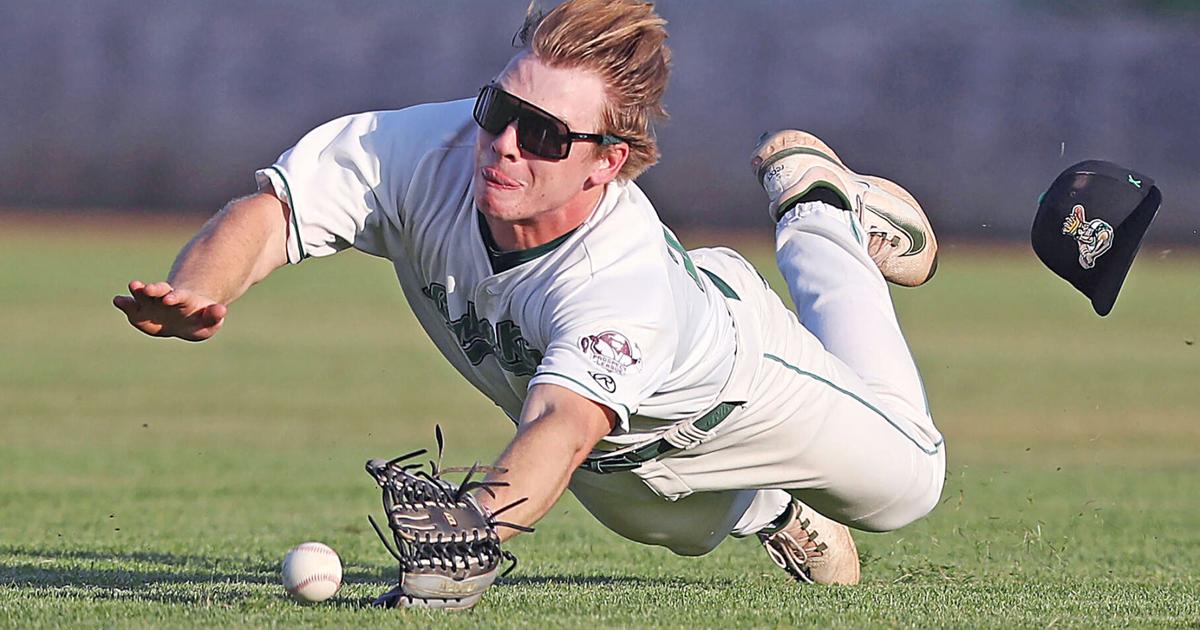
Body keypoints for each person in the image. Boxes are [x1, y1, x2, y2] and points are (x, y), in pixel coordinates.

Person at [113, 0, 945, 589]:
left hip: (738, 386)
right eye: (500, 108)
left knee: (911, 486)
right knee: (662, 524)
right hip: (614, 449)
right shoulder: (416, 152)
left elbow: (557, 424)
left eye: (545, 133)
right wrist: (199, 288)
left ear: (607, 161)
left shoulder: (617, 278)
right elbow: (273, 212)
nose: (506, 143)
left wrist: (468, 541)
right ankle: (772, 511)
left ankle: (820, 213)